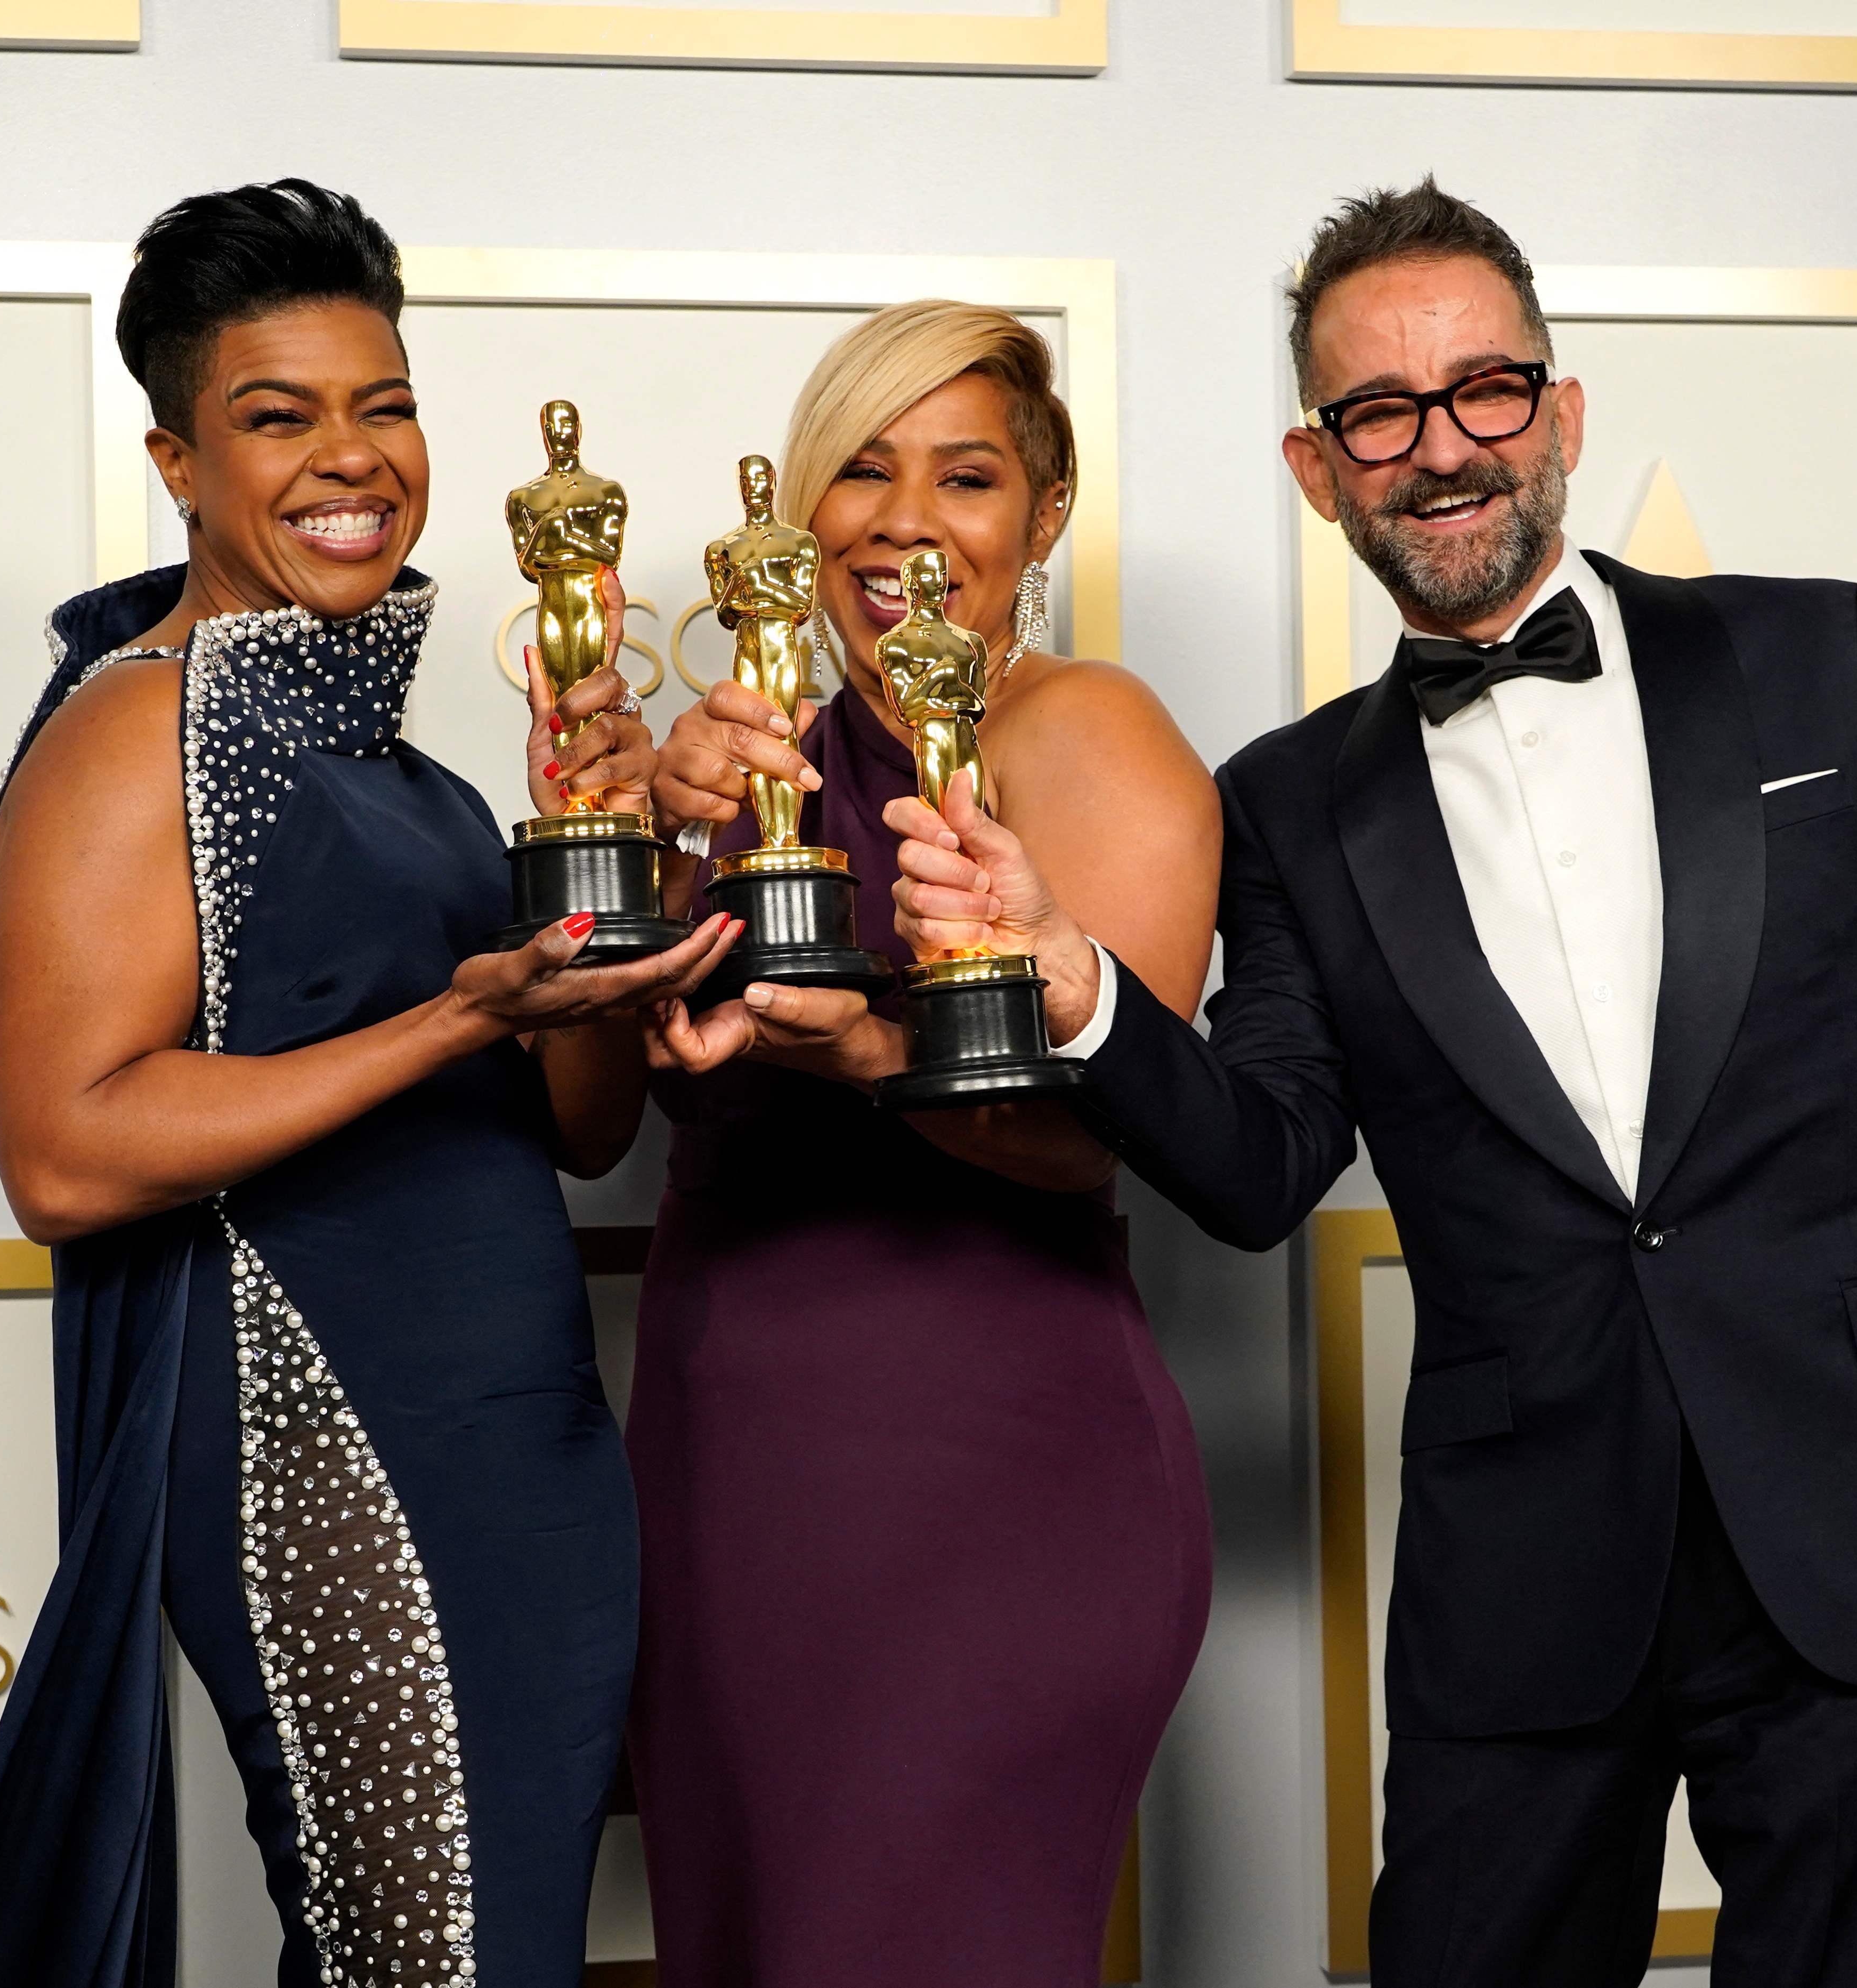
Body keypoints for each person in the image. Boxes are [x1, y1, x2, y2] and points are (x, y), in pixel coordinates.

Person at [888, 182, 1857, 1988]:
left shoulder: (1831, 661)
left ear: (1561, 415)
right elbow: (1260, 1166)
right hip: (1530, 1567)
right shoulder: (1289, 801)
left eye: (1485, 391)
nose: (1441, 450)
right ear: (1316, 467)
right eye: (1380, 414)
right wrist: (1079, 981)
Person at [0, 180, 739, 1988]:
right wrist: (455, 1013)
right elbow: (63, 1147)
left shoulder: (404, 774)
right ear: (179, 461)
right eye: (278, 418)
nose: (350, 460)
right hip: (329, 1465)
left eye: (386, 405)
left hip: (526, 1468)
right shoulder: (137, 725)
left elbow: (582, 1128)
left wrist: (574, 853)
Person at [626, 301, 1219, 1987]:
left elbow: (1098, 1140)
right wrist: (639, 842)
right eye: (861, 471)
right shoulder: (765, 766)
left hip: (984, 1480)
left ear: (1043, 515)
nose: (904, 521)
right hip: (728, 1475)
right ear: (800, 512)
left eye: (965, 475)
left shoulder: (1080, 731)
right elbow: (598, 1109)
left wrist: (873, 1045)